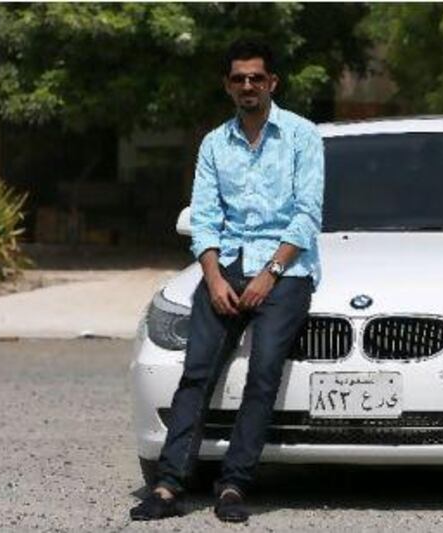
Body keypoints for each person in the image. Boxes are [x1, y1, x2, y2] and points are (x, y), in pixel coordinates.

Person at [130, 39, 324, 523]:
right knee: (197, 372)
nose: (248, 86)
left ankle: (234, 484)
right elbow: (206, 220)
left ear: (272, 83)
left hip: (285, 271)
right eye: (238, 78)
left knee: (262, 375)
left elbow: (306, 216)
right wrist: (213, 279)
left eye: (256, 77)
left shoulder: (302, 136)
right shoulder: (215, 144)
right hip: (227, 267)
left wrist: (270, 275)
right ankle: (170, 485)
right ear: (228, 85)